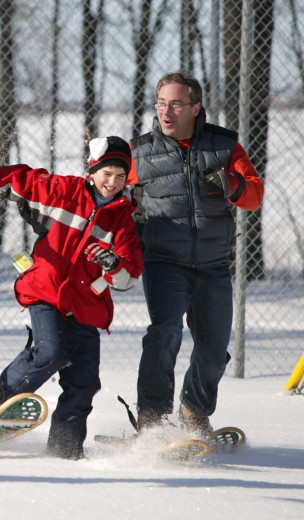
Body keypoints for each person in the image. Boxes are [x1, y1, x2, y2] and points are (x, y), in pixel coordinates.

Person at [0, 136, 143, 459]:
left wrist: (112, 264)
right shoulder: (64, 191)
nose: (112, 183)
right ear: (92, 170)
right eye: (106, 174)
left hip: (86, 306)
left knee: (83, 382)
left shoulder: (122, 219)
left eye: (120, 177)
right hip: (46, 291)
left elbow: (129, 277)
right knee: (51, 351)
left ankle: (64, 450)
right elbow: (15, 179)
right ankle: (6, 397)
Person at [129, 72, 264, 436]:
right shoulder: (139, 152)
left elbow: (254, 196)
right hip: (163, 262)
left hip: (213, 264)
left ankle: (194, 412)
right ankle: (152, 421)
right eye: (160, 103)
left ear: (195, 107)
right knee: (165, 332)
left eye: (175, 104)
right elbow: (106, 197)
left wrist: (231, 184)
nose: (166, 111)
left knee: (215, 346)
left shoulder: (224, 146)